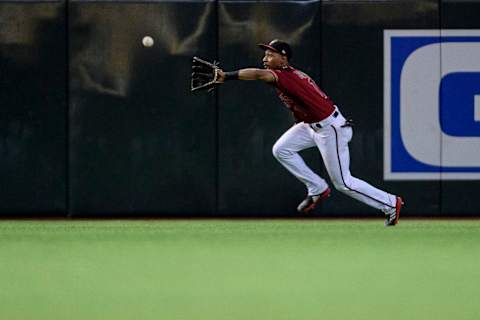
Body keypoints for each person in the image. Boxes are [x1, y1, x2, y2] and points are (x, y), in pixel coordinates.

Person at [216, 39, 403, 226]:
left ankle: (390, 203)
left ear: (283, 58)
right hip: (311, 125)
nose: (265, 58)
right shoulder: (286, 73)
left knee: (343, 183)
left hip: (330, 128)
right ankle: (318, 187)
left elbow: (257, 74)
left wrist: (226, 76)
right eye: (265, 54)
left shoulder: (285, 76)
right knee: (281, 149)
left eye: (270, 54)